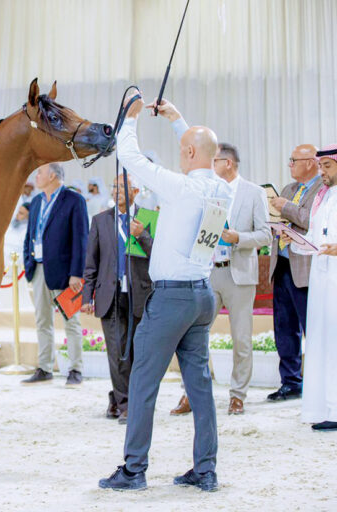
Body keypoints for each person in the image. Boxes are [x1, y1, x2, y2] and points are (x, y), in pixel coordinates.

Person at [98, 95, 231, 492]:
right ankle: (206, 469)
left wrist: (131, 120)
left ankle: (134, 469)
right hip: (202, 296)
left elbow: (132, 159)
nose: (180, 155)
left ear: (188, 153)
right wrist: (177, 119)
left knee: (142, 382)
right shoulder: (225, 190)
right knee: (200, 386)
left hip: (171, 298)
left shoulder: (179, 188)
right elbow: (200, 149)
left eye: (181, 150)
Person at [170, 143, 273, 416]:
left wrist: (238, 238)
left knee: (241, 339)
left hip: (238, 274)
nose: (209, 166)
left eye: (213, 161)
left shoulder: (254, 193)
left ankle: (238, 395)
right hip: (207, 271)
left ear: (227, 163)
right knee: (195, 335)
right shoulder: (207, 191)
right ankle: (189, 393)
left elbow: (265, 235)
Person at [82, 173, 153, 425]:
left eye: (123, 187)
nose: (117, 191)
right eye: (114, 187)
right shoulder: (101, 221)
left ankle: (117, 397)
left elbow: (155, 254)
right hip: (109, 295)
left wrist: (142, 234)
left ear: (135, 191)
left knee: (136, 352)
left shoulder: (147, 217)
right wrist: (86, 296)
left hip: (139, 295)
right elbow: (91, 261)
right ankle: (125, 405)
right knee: (117, 352)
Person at [21, 163, 89, 387]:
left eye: (39, 172)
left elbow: (81, 240)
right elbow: (30, 235)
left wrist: (77, 273)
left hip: (66, 273)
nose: (36, 176)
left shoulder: (73, 200)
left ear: (52, 175)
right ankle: (45, 368)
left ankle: (75, 369)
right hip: (39, 270)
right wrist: (28, 263)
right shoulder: (37, 201)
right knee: (42, 321)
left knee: (71, 321)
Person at [288, 144, 337, 431]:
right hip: (322, 283)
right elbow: (316, 240)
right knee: (322, 342)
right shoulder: (324, 197)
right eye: (321, 167)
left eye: (327, 167)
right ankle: (326, 406)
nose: (322, 173)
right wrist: (294, 240)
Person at [267, 144, 321, 402]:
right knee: (284, 327)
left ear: (310, 162)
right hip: (283, 264)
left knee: (312, 326)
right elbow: (284, 218)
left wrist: (286, 207)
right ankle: (290, 381)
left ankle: (319, 383)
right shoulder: (288, 189)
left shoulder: (323, 190)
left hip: (307, 268)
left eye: (294, 160)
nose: (289, 165)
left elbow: (310, 220)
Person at [4, 202, 30, 267]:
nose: (17, 215)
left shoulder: (28, 231)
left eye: (21, 213)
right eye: (18, 212)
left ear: (28, 216)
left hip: (15, 267)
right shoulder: (10, 227)